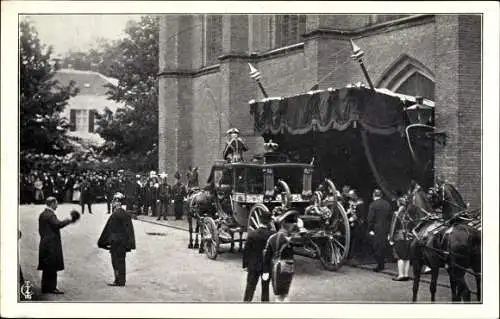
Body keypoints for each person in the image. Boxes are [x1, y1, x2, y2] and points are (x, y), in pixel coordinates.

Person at [37, 197, 79, 294]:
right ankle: (52, 288)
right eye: (56, 203)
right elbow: (58, 224)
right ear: (52, 204)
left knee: (47, 267)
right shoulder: (50, 215)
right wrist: (70, 220)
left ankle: (45, 287)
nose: (57, 205)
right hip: (51, 244)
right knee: (52, 266)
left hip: (44, 242)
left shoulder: (43, 214)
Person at [97, 193, 136, 286]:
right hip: (123, 242)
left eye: (114, 201)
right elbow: (130, 230)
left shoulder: (115, 215)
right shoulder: (126, 214)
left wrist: (101, 242)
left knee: (115, 261)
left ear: (118, 202)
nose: (112, 203)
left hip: (115, 241)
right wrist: (130, 243)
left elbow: (108, 229)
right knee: (122, 261)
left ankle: (117, 280)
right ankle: (122, 280)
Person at [263, 210, 298, 302]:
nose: (292, 226)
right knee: (282, 295)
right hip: (283, 267)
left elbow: (266, 256)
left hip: (278, 266)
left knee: (280, 294)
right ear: (284, 224)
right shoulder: (290, 238)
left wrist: (266, 271)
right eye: (291, 223)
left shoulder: (272, 238)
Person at [242, 209, 276, 302]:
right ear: (269, 221)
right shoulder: (273, 235)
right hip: (266, 267)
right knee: (265, 288)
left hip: (253, 265)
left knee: (250, 287)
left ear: (260, 221)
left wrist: (245, 265)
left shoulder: (252, 234)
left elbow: (246, 251)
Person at [388, 196, 413, 281]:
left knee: (400, 257)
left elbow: (393, 226)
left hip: (399, 237)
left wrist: (391, 238)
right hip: (409, 237)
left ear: (399, 203)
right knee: (407, 257)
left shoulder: (396, 214)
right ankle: (406, 275)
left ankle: (401, 275)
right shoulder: (409, 214)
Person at [367, 189, 392, 272]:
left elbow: (370, 218)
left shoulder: (373, 205)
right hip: (386, 227)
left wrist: (370, 228)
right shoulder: (387, 204)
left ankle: (379, 265)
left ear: (374, 195)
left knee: (376, 246)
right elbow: (390, 216)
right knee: (383, 245)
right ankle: (382, 263)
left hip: (376, 228)